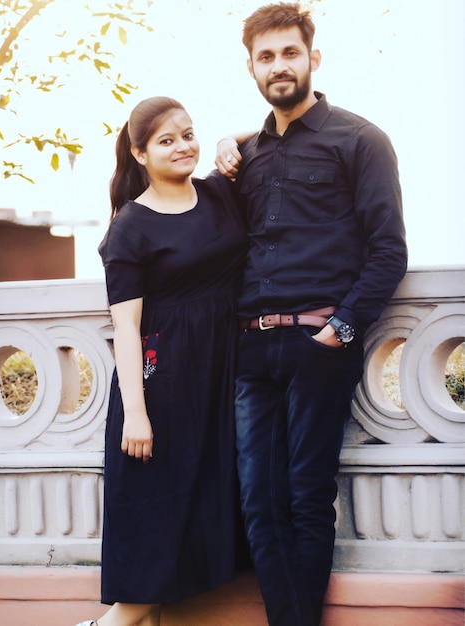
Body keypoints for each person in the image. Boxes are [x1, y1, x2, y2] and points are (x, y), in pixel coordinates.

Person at [214, 3, 408, 625]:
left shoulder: (361, 140)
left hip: (318, 343)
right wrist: (230, 139)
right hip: (251, 348)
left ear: (312, 58)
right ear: (250, 67)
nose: (278, 66)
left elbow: (389, 250)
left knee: (304, 496)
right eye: (265, 57)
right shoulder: (245, 157)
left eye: (289, 53)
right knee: (256, 502)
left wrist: (340, 330)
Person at [76, 96, 248, 626]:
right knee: (159, 509)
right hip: (163, 382)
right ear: (140, 153)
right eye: (166, 140)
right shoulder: (130, 227)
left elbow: (268, 137)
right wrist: (136, 412)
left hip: (222, 375)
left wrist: (228, 143)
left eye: (189, 134)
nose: (183, 147)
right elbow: (125, 326)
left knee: (202, 500)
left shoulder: (221, 193)